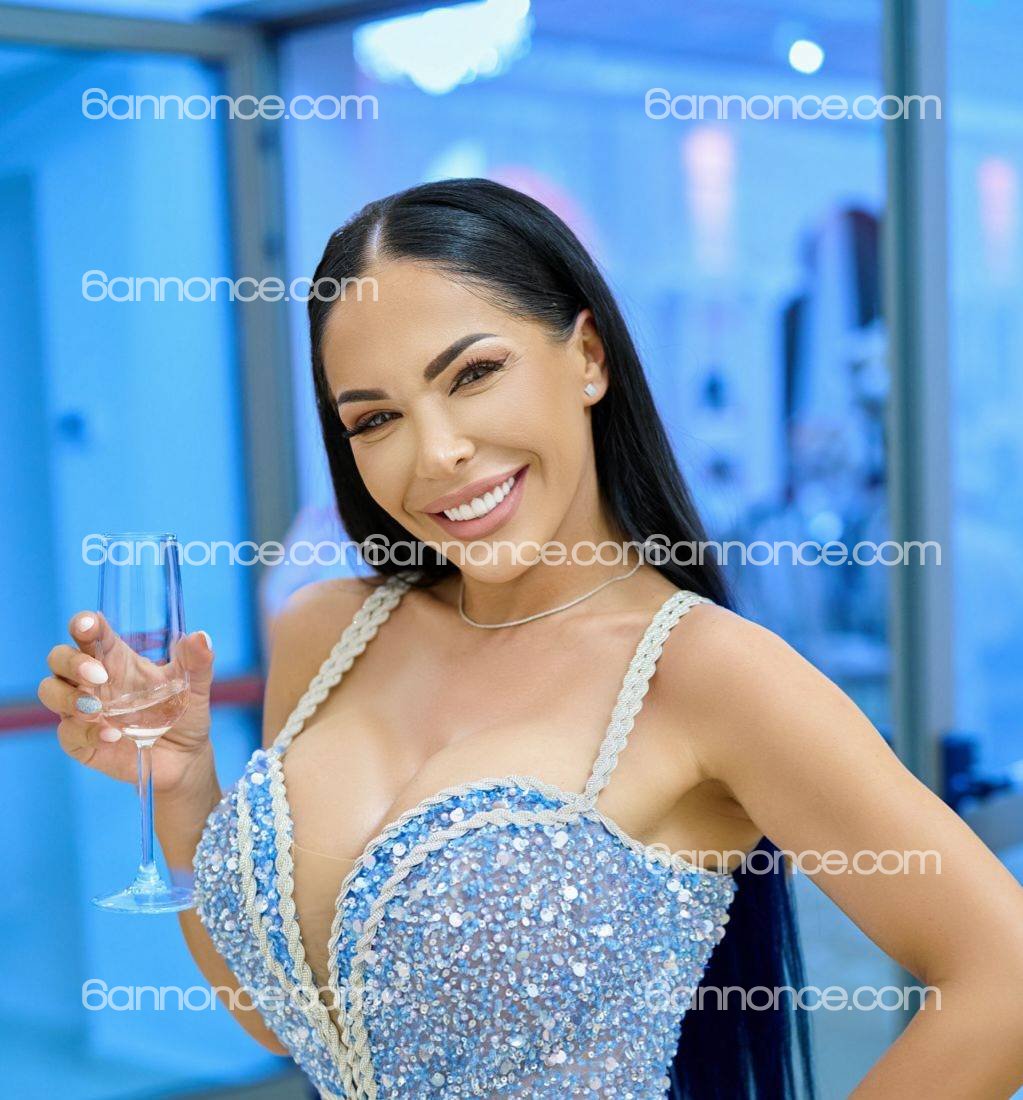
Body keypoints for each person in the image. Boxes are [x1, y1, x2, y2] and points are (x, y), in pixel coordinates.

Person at [40, 179, 1023, 1098]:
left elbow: (1004, 978)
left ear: (587, 357)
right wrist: (183, 791)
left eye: (474, 373)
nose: (437, 453)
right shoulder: (326, 632)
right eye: (376, 418)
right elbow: (291, 1018)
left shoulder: (704, 672)